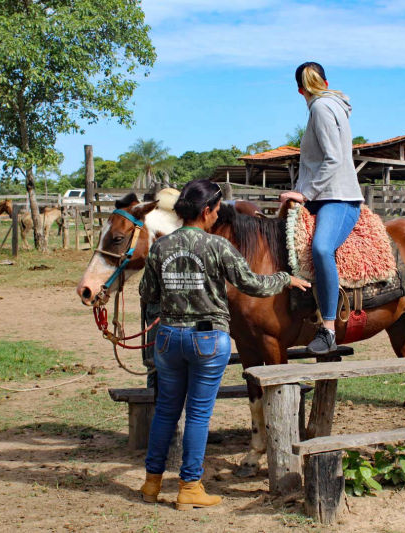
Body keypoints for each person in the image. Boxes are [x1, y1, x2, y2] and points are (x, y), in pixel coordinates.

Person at [138, 179, 311, 509]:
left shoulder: (161, 248)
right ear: (205, 212)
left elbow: (147, 294)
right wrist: (286, 279)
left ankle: (151, 484)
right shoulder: (218, 247)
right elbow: (253, 284)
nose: (218, 216)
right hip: (206, 339)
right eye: (216, 211)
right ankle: (189, 488)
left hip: (168, 339)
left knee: (165, 413)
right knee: (199, 416)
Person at [279, 61, 365, 355]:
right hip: (325, 196)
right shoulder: (333, 105)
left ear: (300, 90)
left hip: (337, 198)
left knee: (321, 249)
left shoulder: (320, 108)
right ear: (325, 83)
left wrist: (304, 193)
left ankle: (328, 328)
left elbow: (333, 159)